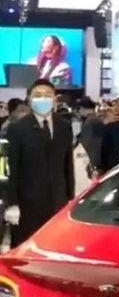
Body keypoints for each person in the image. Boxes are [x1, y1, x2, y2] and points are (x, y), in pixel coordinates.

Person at [5, 79, 75, 247]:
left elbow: (67, 166)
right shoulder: (17, 129)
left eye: (47, 95)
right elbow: (10, 169)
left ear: (55, 99)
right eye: (38, 95)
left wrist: (70, 198)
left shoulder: (64, 126)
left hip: (58, 203)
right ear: (29, 99)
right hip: (27, 205)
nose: (43, 98)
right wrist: (11, 204)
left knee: (55, 247)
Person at [78, 97, 105, 176]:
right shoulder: (94, 119)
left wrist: (92, 162)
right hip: (95, 158)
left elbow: (91, 143)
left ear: (83, 108)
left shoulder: (91, 121)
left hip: (93, 159)